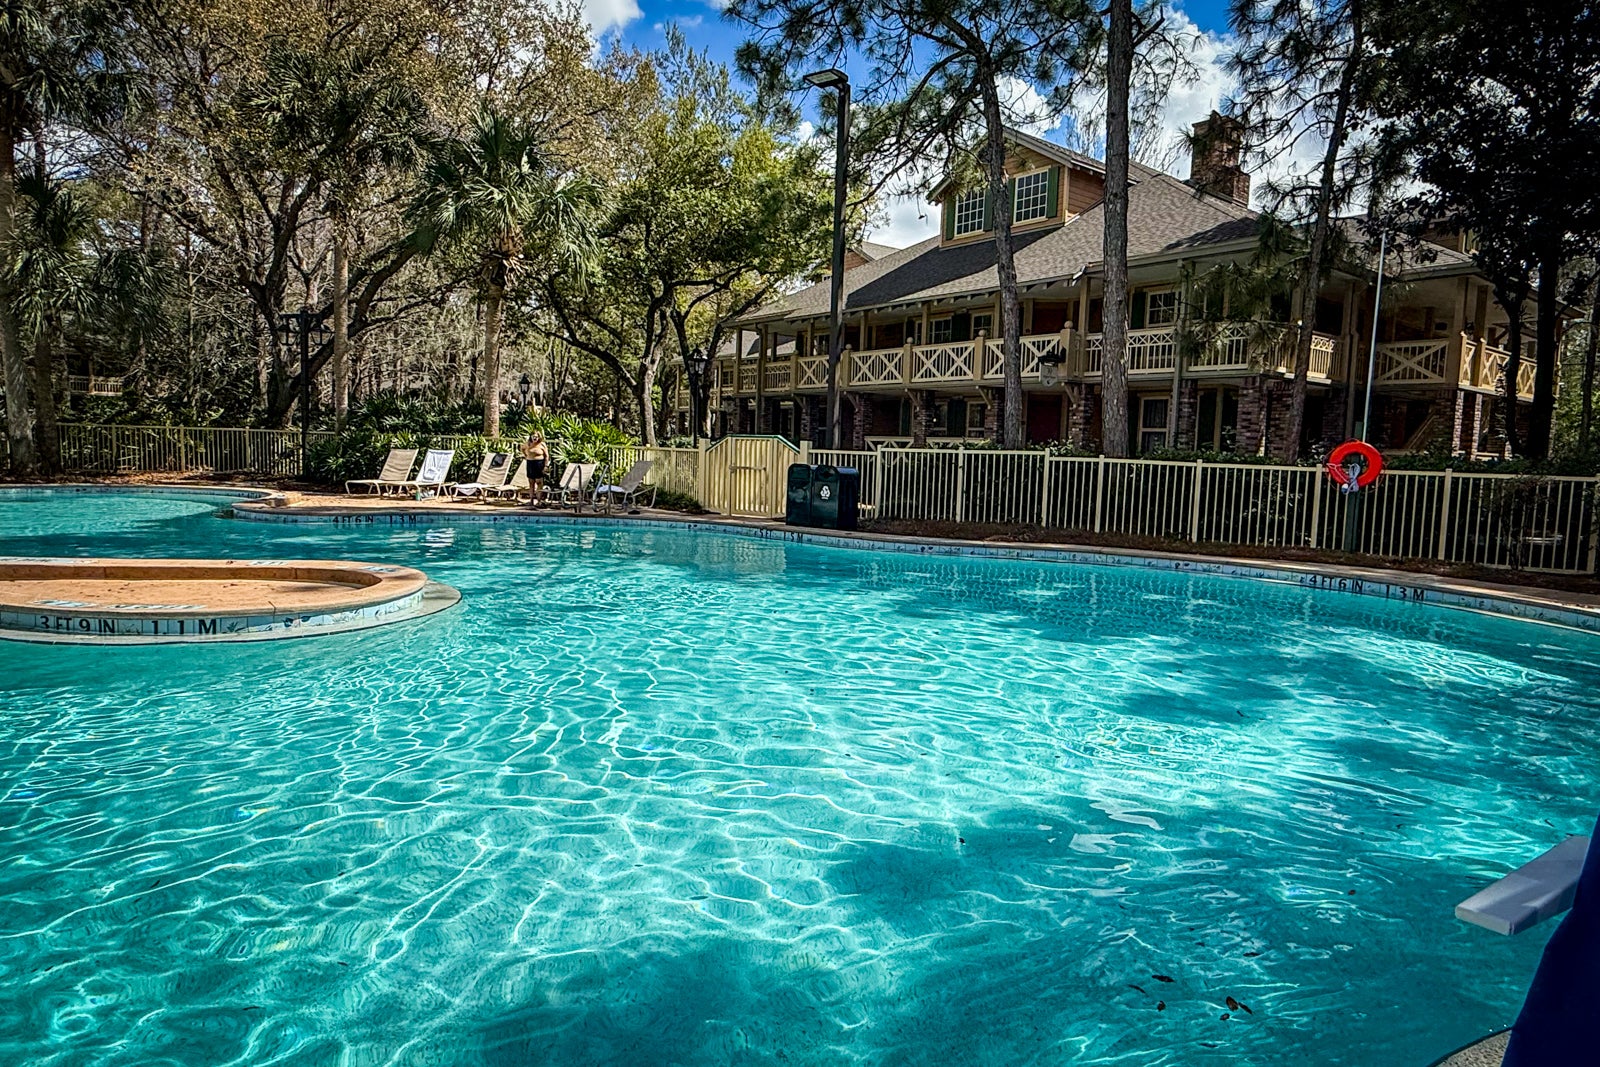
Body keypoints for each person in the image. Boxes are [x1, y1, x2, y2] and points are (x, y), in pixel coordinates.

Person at [520, 432, 549, 506]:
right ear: (531, 437)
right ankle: (531, 500)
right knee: (531, 482)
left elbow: (546, 456)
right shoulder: (528, 444)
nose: (535, 438)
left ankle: (539, 501)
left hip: (539, 463)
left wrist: (545, 466)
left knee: (539, 482)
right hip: (530, 463)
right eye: (534, 436)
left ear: (539, 437)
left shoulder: (542, 444)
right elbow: (522, 449)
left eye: (536, 437)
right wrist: (526, 455)